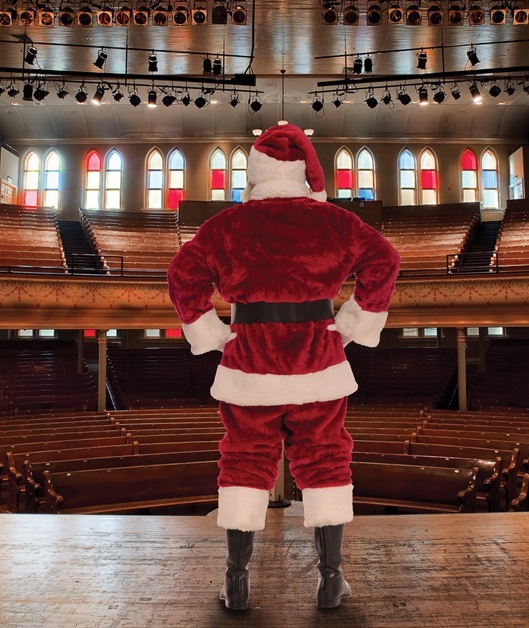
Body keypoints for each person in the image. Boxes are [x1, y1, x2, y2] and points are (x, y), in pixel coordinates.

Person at [167, 124, 400, 610]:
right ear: (306, 174)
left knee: (244, 460)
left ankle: (236, 581)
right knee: (325, 459)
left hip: (249, 362)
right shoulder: (335, 221)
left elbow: (182, 273)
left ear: (256, 173)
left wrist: (211, 332)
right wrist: (352, 321)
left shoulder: (227, 225)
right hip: (318, 360)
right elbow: (384, 259)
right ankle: (331, 579)